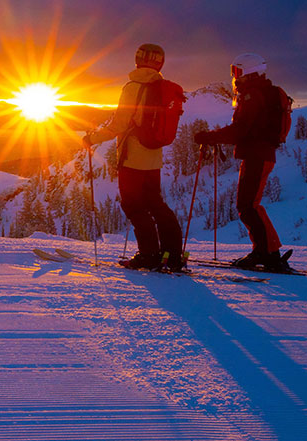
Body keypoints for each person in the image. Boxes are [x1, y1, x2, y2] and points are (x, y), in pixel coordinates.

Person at [84, 43, 184, 271]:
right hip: (154, 157)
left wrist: (92, 139)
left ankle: (148, 255)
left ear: (137, 60)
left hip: (132, 159)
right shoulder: (163, 89)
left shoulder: (133, 87)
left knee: (133, 206)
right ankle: (172, 253)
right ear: (160, 64)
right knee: (156, 204)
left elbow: (119, 125)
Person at [194, 53, 292, 272]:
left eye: (236, 71)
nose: (234, 76)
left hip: (257, 154)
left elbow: (240, 130)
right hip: (261, 153)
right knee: (249, 205)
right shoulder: (262, 92)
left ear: (248, 71)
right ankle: (267, 251)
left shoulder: (252, 95)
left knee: (247, 206)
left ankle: (267, 253)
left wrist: (210, 137)